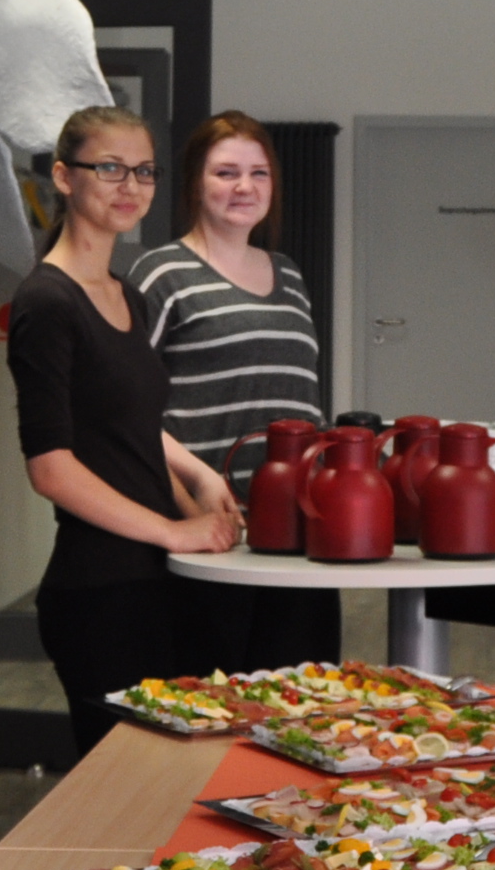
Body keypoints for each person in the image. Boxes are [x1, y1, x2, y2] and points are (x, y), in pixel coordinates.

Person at [10, 106, 244, 752]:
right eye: (109, 168)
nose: (130, 186)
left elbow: (132, 432)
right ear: (64, 177)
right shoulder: (47, 301)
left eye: (144, 171)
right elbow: (50, 468)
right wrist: (172, 530)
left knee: (176, 776)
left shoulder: (126, 294)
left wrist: (198, 497)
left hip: (157, 579)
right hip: (99, 590)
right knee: (122, 787)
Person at [130, 112, 339, 669]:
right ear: (195, 184)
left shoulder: (289, 274)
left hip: (298, 533)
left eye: (258, 173)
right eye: (226, 173)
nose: (244, 187)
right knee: (215, 701)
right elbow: (123, 407)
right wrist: (198, 478)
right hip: (211, 535)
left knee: (306, 696)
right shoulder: (162, 274)